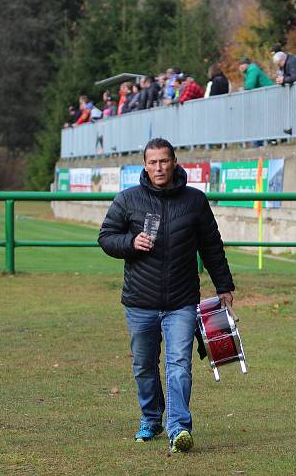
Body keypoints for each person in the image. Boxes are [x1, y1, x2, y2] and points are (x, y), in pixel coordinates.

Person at [98, 137, 235, 454]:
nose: (159, 167)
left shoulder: (194, 201)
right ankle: (150, 419)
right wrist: (131, 243)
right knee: (145, 366)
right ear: (144, 165)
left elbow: (212, 246)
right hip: (139, 302)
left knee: (178, 366)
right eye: (152, 162)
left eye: (164, 161)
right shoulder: (127, 200)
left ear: (174, 162)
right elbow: (106, 237)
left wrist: (224, 285)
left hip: (181, 302)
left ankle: (179, 429)